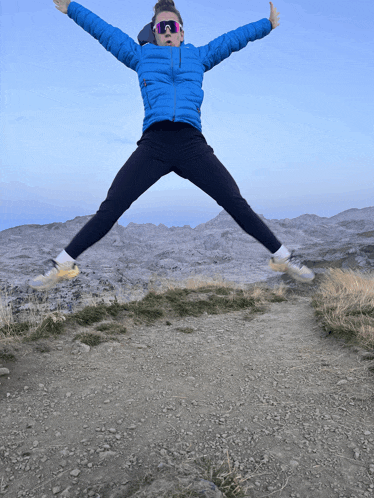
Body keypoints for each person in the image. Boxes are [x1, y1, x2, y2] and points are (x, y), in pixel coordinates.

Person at [29, 0, 315, 292]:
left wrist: (265, 25)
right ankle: (63, 262)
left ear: (181, 32)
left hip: (192, 144)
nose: (166, 32)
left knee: (234, 201)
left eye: (172, 26)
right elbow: (106, 32)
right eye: (160, 28)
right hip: (155, 144)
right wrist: (72, 8)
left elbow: (232, 40)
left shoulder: (198, 56)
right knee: (112, 205)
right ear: (153, 32)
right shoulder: (141, 56)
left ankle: (282, 258)